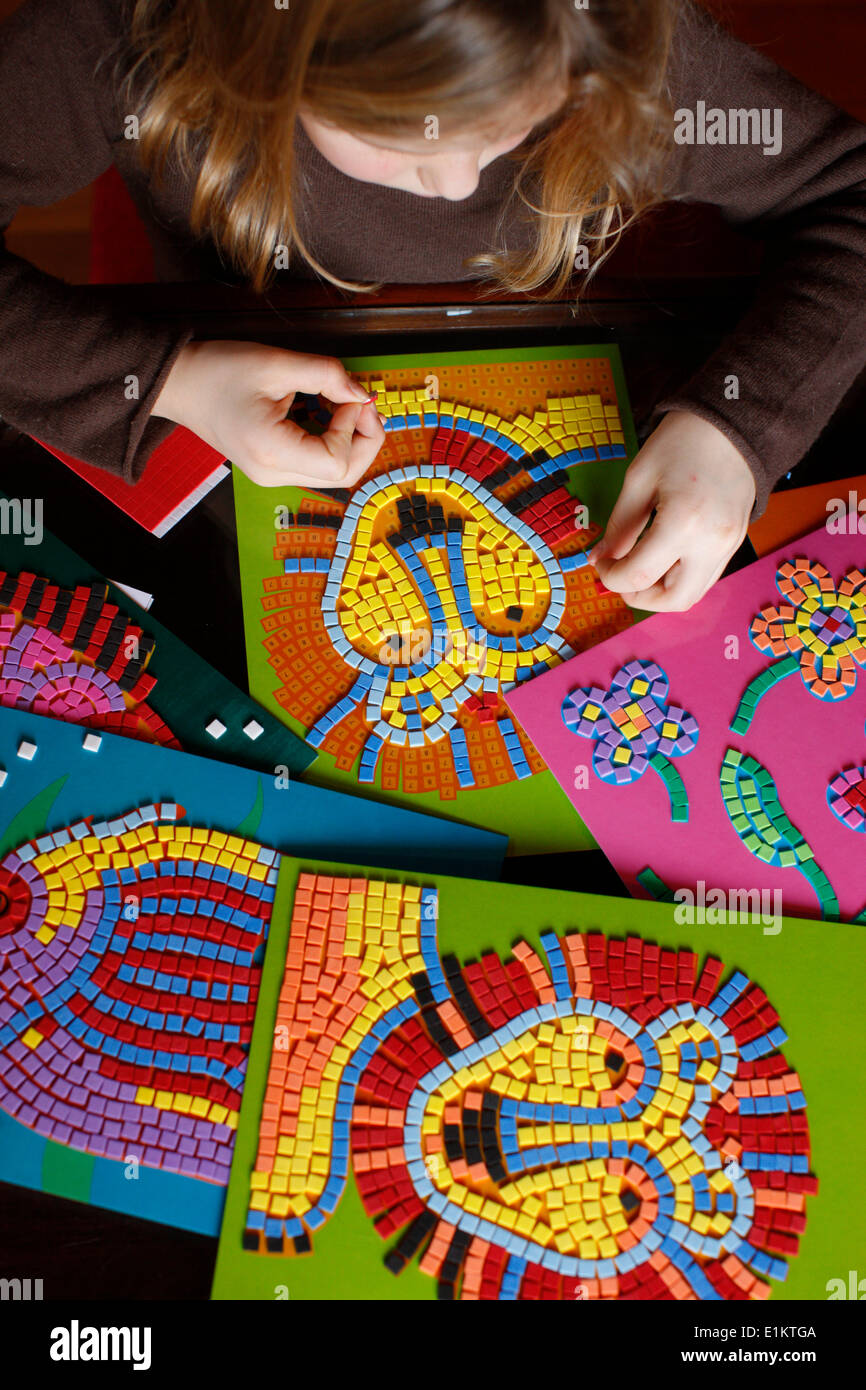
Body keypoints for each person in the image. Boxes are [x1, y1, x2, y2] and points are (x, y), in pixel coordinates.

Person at [1, 0, 864, 610]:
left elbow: (850, 194)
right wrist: (168, 381)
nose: (458, 184)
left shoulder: (618, 33)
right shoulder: (123, 29)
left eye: (512, 126)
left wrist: (737, 430)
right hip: (232, 439)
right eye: (394, 137)